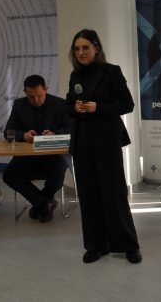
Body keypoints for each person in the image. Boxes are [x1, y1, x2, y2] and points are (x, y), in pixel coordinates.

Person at [66, 28, 141, 264]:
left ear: (96, 48)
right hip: (82, 143)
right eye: (77, 49)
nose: (80, 52)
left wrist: (97, 108)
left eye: (85, 48)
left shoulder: (111, 72)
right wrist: (75, 107)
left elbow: (127, 104)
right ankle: (96, 246)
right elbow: (68, 104)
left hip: (106, 141)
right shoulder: (75, 75)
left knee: (114, 194)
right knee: (88, 196)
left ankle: (128, 246)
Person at [2, 75, 73, 223]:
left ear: (46, 89)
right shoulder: (19, 105)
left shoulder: (60, 104)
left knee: (57, 175)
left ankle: (40, 203)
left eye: (39, 95)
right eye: (31, 97)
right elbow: (8, 131)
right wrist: (23, 135)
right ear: (25, 92)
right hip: (27, 155)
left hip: (54, 155)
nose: (36, 100)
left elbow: (72, 129)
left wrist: (55, 134)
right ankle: (43, 203)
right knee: (9, 175)